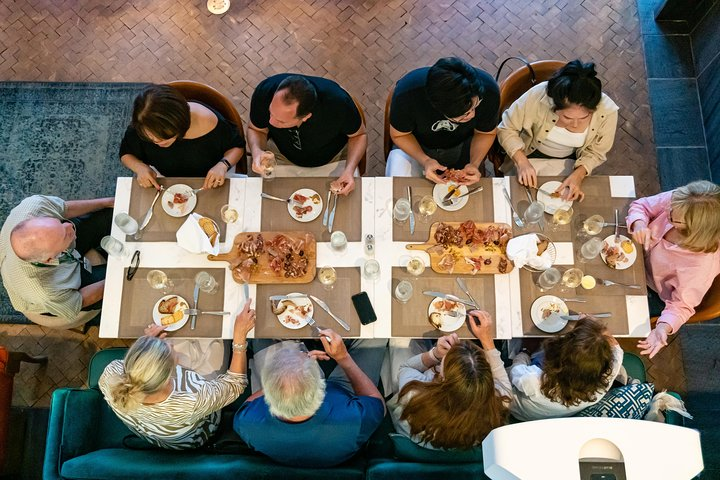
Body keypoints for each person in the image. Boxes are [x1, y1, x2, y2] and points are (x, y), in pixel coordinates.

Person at [98, 299, 255, 449]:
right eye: (168, 348)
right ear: (170, 376)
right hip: (200, 430)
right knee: (218, 338)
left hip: (157, 429)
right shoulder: (191, 400)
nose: (170, 343)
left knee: (185, 334)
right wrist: (239, 338)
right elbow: (235, 384)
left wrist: (147, 341)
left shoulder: (110, 376)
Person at [233, 331, 387, 467]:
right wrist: (343, 358)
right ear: (321, 387)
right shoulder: (353, 422)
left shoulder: (248, 423)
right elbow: (375, 401)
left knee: (261, 334)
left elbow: (249, 403)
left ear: (268, 391)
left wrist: (288, 373)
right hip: (344, 391)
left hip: (292, 390)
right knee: (376, 334)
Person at [497, 59, 619, 201]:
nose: (574, 125)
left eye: (584, 117)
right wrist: (522, 162)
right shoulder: (538, 96)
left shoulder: (607, 112)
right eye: (567, 117)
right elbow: (506, 128)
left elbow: (597, 152)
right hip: (529, 152)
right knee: (518, 198)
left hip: (573, 161)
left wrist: (579, 175)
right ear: (554, 105)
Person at [389, 311, 510, 450]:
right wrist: (487, 340)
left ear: (443, 377)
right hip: (456, 446)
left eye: (443, 363)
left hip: (416, 435)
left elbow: (407, 367)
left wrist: (434, 354)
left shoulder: (414, 396)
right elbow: (502, 378)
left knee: (399, 339)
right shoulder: (500, 404)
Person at [627, 180, 720, 358]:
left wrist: (662, 327)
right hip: (634, 254)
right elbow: (643, 205)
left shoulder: (700, 267)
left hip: (650, 288)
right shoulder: (683, 201)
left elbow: (681, 306)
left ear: (695, 230)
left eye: (673, 219)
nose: (667, 213)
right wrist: (639, 223)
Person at [0, 195, 113, 324]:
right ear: (49, 260)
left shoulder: (34, 206)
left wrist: (107, 202)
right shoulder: (46, 292)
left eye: (60, 223)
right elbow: (79, 300)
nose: (70, 227)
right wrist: (116, 278)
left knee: (109, 216)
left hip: (58, 249)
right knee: (127, 280)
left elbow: (66, 209)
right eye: (65, 236)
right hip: (55, 291)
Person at [386, 57, 500, 185]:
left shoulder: (489, 92)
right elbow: (400, 134)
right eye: (464, 114)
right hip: (415, 144)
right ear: (437, 108)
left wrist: (474, 163)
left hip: (462, 145)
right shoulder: (407, 95)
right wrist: (425, 160)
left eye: (476, 105)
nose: (473, 115)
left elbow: (485, 133)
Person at [247, 74, 366, 195]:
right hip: (281, 157)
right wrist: (257, 151)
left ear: (305, 117)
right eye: (270, 112)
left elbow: (359, 135)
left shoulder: (338, 103)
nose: (270, 122)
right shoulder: (264, 92)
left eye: (281, 121)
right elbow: (257, 129)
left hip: (333, 159)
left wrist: (349, 170)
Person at [120, 84, 246, 190]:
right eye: (150, 138)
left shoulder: (207, 121)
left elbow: (237, 147)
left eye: (164, 137)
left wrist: (222, 165)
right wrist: (139, 167)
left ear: (181, 123)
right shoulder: (142, 123)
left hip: (212, 177)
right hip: (164, 179)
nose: (156, 141)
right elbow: (126, 153)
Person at [509, 317, 623, 421]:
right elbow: (616, 348)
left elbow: (516, 369)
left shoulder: (534, 380)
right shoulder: (606, 378)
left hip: (523, 413)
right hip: (557, 414)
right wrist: (593, 329)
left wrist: (526, 350)